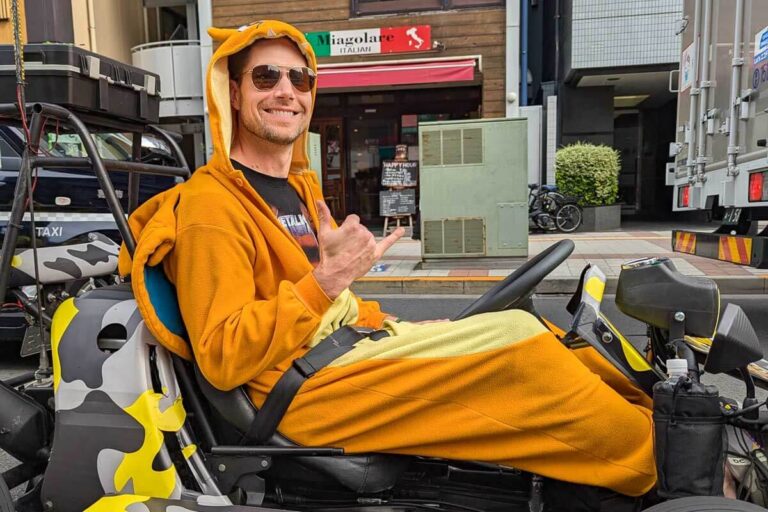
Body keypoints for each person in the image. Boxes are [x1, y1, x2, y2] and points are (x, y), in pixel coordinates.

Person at [118, 20, 656, 504]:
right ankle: (665, 472)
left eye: (300, 79)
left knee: (529, 329)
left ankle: (659, 424)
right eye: (265, 78)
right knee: (528, 364)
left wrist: (394, 323)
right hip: (300, 392)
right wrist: (327, 281)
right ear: (232, 93)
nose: (286, 91)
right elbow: (223, 354)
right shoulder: (212, 206)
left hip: (337, 357)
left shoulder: (296, 191)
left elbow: (332, 306)